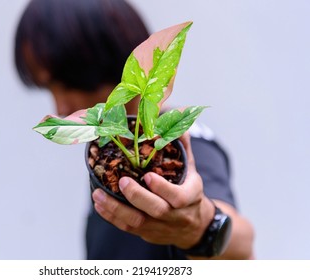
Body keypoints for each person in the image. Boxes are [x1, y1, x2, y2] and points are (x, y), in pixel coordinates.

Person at [14, 0, 254, 259]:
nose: (60, 107)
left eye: (67, 84)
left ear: (100, 60)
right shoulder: (107, 144)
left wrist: (200, 226)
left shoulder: (186, 142)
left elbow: (243, 244)